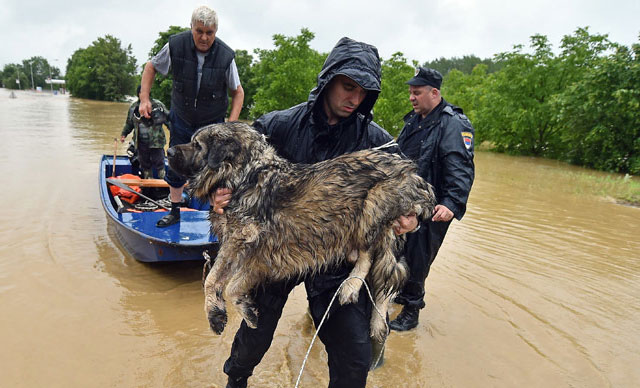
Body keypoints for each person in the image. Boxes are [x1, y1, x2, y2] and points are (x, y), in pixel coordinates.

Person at [211, 37, 418, 388]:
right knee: (253, 338)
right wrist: (220, 192)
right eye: (348, 87)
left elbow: (411, 191)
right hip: (276, 251)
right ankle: (236, 380)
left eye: (364, 92)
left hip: (337, 259)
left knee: (355, 353)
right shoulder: (277, 126)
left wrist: (410, 218)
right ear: (328, 80)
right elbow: (225, 162)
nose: (354, 99)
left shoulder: (379, 143)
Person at [138, 5, 245, 227]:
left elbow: (238, 93)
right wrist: (144, 99)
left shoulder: (226, 56)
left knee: (215, 169)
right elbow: (151, 67)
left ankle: (217, 216)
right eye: (199, 31)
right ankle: (175, 211)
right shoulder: (175, 45)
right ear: (191, 28)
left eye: (210, 33)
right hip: (182, 117)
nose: (204, 37)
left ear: (216, 32)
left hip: (212, 125)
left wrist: (231, 126)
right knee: (176, 161)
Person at [389, 67, 475, 332]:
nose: (412, 98)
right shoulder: (413, 121)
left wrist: (451, 203)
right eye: (410, 93)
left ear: (434, 93)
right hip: (407, 202)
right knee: (399, 251)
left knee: (419, 256)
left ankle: (412, 311)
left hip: (434, 206)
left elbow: (461, 167)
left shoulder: (453, 123)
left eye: (417, 93)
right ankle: (401, 295)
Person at [120, 85, 169, 179]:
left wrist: (175, 132)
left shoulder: (158, 105)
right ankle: (148, 183)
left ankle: (163, 183)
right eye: (140, 92)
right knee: (144, 164)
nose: (142, 95)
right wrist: (124, 134)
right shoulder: (133, 107)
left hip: (156, 141)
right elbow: (129, 123)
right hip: (141, 142)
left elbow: (168, 120)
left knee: (159, 162)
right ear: (138, 94)